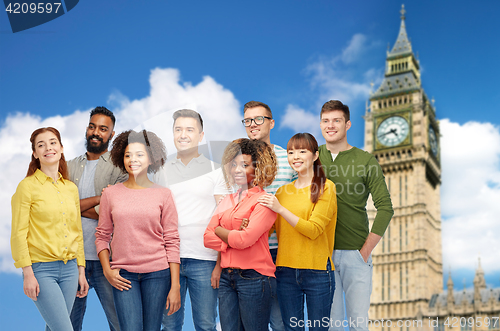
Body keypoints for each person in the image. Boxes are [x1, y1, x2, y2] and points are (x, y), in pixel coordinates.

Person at [318, 100, 394, 331]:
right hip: (321, 256)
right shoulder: (311, 156)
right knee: (331, 325)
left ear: (348, 124)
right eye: (325, 121)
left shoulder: (366, 161)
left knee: (358, 324)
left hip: (356, 254)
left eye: (336, 121)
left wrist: (365, 251)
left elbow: (386, 208)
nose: (330, 126)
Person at [95, 130, 181, 331]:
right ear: (121, 158)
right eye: (128, 155)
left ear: (151, 158)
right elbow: (102, 236)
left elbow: (172, 240)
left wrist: (175, 285)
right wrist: (107, 270)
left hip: (158, 274)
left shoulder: (163, 194)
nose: (133, 160)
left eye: (139, 154)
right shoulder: (111, 193)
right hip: (123, 274)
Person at [154, 109, 229, 331]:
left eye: (189, 129)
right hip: (168, 260)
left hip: (204, 260)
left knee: (205, 324)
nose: (183, 134)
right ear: (173, 133)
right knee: (169, 324)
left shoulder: (216, 170)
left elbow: (223, 220)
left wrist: (218, 263)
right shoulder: (160, 170)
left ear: (201, 135)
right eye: (178, 129)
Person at [11, 127, 89, 331]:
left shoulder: (70, 188)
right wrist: (27, 273)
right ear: (35, 154)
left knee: (54, 327)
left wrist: (81, 271)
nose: (48, 147)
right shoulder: (26, 187)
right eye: (41, 144)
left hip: (71, 270)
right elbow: (18, 234)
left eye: (53, 142)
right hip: (41, 270)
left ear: (61, 148)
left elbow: (77, 232)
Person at [258, 133, 337, 331]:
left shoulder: (326, 187)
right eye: (291, 152)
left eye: (303, 151)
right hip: (285, 271)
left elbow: (313, 230)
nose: (296, 156)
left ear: (316, 155)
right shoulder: (282, 193)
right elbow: (268, 231)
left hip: (318, 271)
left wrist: (281, 210)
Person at [204, 138, 278, 331]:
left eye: (244, 165)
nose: (237, 170)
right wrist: (233, 236)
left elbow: (244, 240)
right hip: (227, 279)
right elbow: (207, 237)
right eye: (234, 164)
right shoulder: (227, 199)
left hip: (255, 277)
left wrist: (222, 231)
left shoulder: (265, 201)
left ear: (258, 168)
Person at [69, 106, 126, 331]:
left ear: (111, 134)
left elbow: (114, 214)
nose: (96, 132)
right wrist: (99, 197)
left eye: (103, 129)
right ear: (86, 129)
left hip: (109, 262)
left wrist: (73, 207)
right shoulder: (68, 166)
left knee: (122, 324)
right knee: (63, 325)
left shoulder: (121, 169)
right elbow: (56, 208)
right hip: (72, 260)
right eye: (92, 127)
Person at [242, 100, 296, 331]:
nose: (252, 124)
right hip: (249, 251)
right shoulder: (239, 162)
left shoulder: (289, 159)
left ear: (271, 123)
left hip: (282, 251)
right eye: (247, 120)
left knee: (281, 321)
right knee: (252, 323)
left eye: (258, 119)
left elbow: (299, 199)